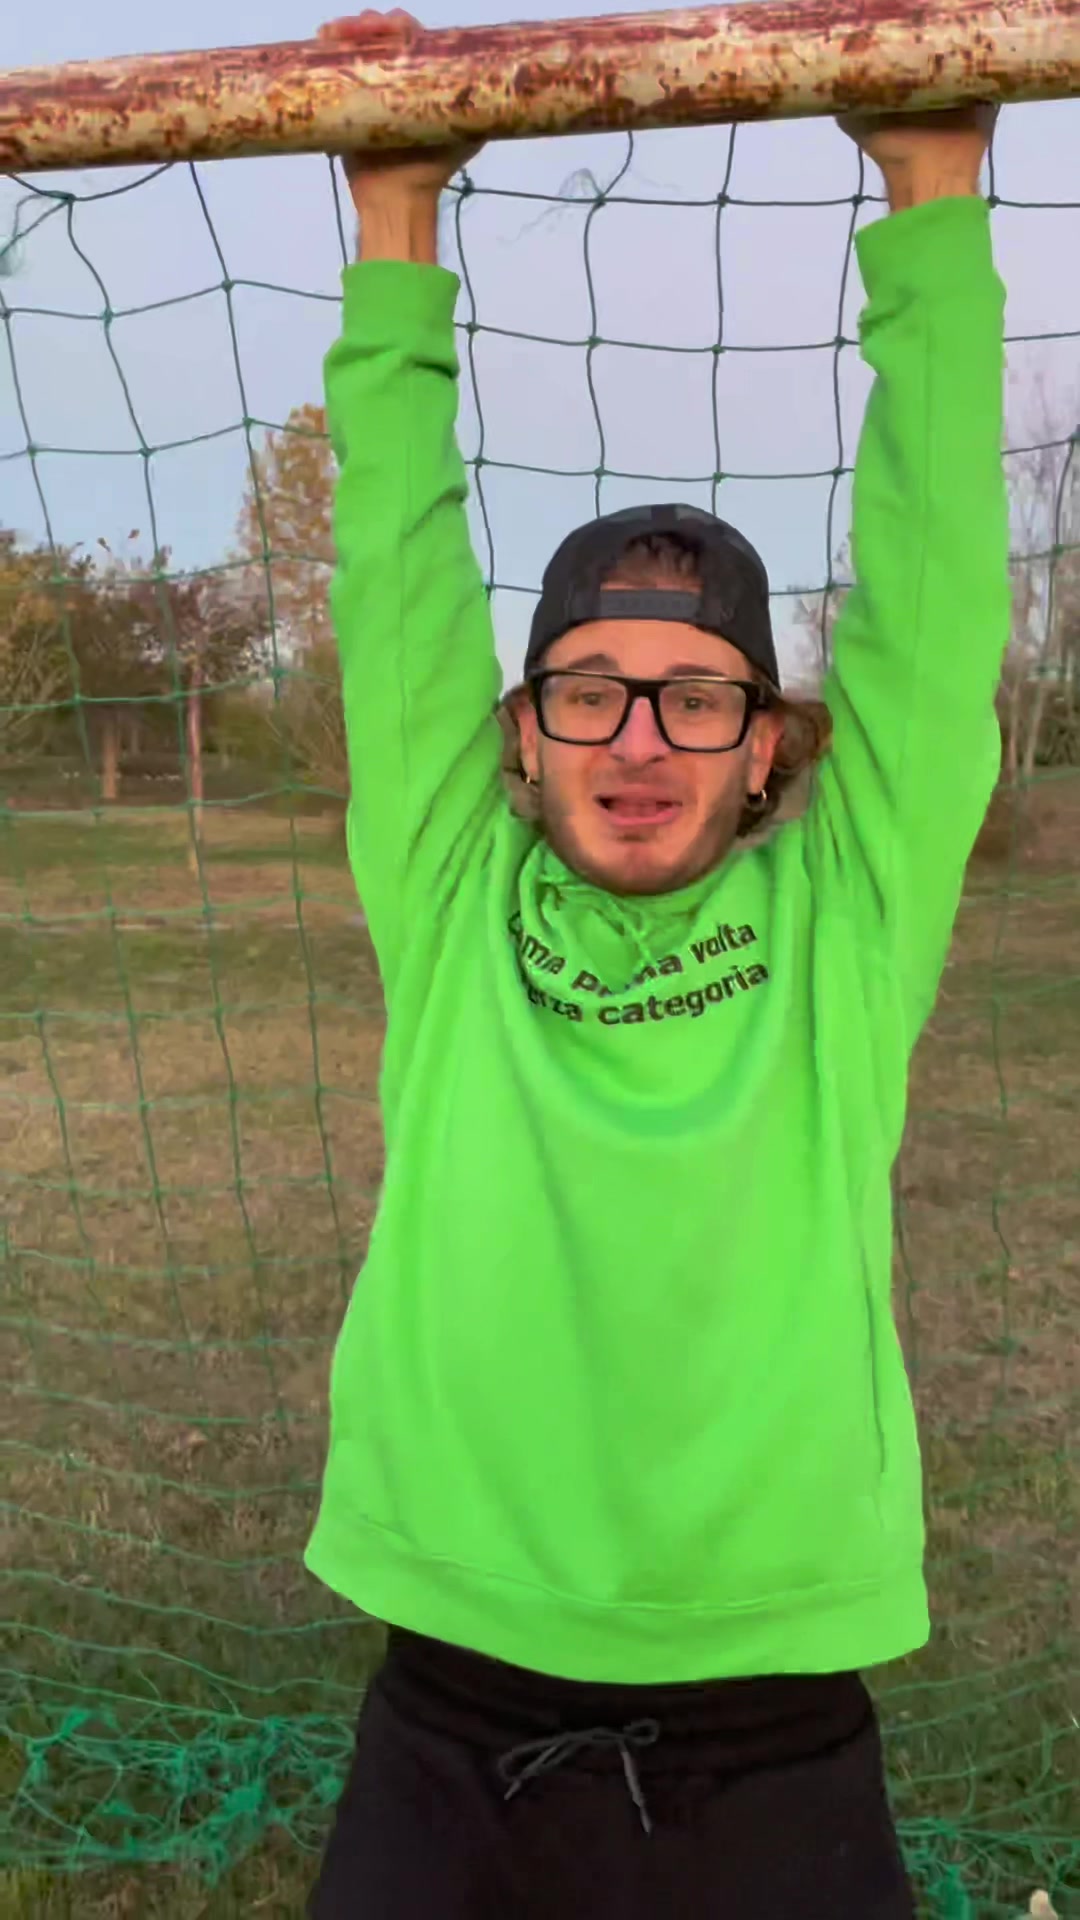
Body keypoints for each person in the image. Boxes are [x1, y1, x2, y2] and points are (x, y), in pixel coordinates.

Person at [305, 12, 1010, 1915]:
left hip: (774, 1726)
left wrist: (933, 194)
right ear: (519, 735)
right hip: (450, 1705)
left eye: (697, 699)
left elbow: (938, 613)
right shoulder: (454, 890)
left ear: (768, 745)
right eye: (590, 691)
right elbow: (393, 575)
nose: (637, 739)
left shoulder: (844, 918)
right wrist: (395, 219)